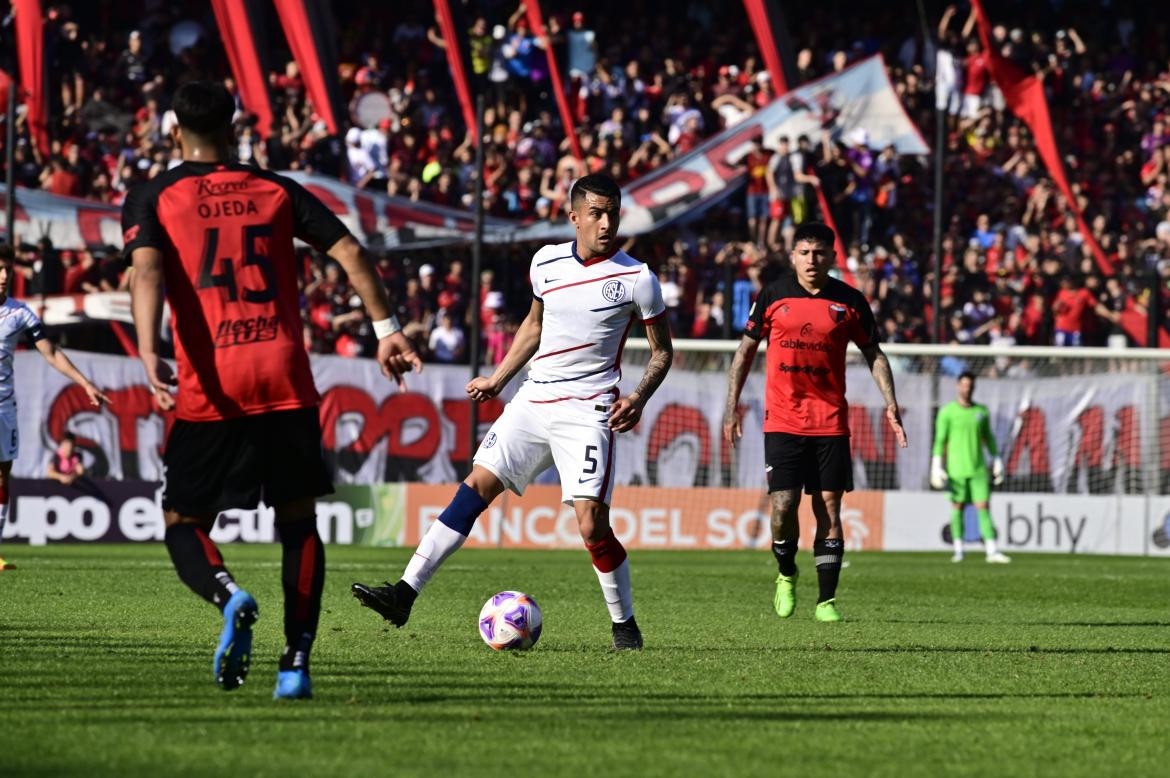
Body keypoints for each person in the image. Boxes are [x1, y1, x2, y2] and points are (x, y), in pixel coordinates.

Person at [122, 81, 420, 699]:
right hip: (285, 375)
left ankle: (229, 594)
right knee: (299, 523)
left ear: (174, 130)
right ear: (235, 129)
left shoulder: (155, 195)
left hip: (213, 383)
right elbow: (350, 251)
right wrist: (387, 331)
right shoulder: (276, 188)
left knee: (183, 519)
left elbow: (146, 268)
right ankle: (295, 666)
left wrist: (149, 350)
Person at [353, 174, 673, 651]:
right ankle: (403, 594)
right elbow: (534, 325)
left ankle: (624, 626)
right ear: (575, 216)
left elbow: (662, 352)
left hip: (588, 410)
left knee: (591, 523)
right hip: (533, 399)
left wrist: (639, 397)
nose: (607, 223)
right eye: (597, 213)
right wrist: (498, 380)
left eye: (614, 212)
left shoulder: (637, 278)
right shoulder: (545, 262)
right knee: (473, 489)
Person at [723, 222, 907, 622]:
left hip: (830, 422)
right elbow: (745, 352)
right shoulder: (773, 295)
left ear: (833, 258)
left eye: (820, 253)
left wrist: (890, 401)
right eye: (804, 252)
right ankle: (786, 573)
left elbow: (874, 353)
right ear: (793, 256)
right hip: (783, 419)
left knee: (829, 507)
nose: (812, 260)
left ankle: (826, 602)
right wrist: (731, 405)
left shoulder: (850, 301)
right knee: (783, 506)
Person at [0, 245, 111, 572]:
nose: (4, 276)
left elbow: (51, 352)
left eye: (7, 269)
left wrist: (84, 382)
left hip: (4, 407)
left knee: (3, 476)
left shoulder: (20, 313)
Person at [930, 372, 1009, 563]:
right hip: (956, 469)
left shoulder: (981, 411)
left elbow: (988, 437)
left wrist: (997, 459)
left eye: (970, 386)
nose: (967, 389)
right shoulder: (947, 412)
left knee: (983, 507)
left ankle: (992, 550)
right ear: (958, 386)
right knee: (957, 507)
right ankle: (958, 550)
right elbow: (940, 440)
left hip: (978, 469)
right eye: (964, 385)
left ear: (974, 387)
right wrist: (936, 465)